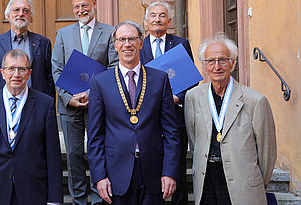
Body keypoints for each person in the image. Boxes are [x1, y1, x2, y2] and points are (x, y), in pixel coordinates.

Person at [87, 21, 180, 205]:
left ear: (141, 43)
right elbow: (95, 135)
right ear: (115, 45)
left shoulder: (159, 79)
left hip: (153, 171)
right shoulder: (100, 82)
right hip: (115, 174)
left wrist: (169, 172)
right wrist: (99, 176)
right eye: (122, 39)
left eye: (132, 39)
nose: (127, 44)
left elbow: (171, 132)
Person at [184, 33, 277, 205]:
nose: (216, 66)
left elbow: (266, 151)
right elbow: (193, 139)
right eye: (210, 61)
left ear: (232, 63)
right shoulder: (193, 97)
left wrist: (254, 181)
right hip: (206, 179)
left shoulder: (255, 101)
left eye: (222, 60)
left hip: (242, 181)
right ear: (204, 66)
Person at [0, 49, 63, 205]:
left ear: (29, 73)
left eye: (22, 69)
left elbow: (53, 155)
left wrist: (54, 199)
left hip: (33, 192)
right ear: (2, 72)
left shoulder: (45, 104)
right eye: (11, 69)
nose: (16, 74)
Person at [51, 0, 118, 204]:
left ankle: (99, 197)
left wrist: (91, 93)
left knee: (99, 150)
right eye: (77, 6)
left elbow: (113, 66)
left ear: (94, 4)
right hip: (69, 106)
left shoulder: (109, 32)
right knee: (73, 155)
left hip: (99, 104)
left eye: (85, 5)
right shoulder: (63, 33)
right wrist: (68, 98)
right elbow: (57, 68)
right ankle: (79, 199)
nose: (81, 10)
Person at [139, 2, 195, 204]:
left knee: (177, 166)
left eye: (162, 16)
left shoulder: (181, 44)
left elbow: (191, 77)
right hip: (147, 119)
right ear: (146, 22)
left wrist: (178, 96)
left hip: (175, 115)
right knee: (152, 166)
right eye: (153, 16)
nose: (157, 19)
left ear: (169, 21)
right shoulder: (138, 46)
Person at [0, 0, 55, 98]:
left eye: (25, 11)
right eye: (16, 10)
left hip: (36, 104)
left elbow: (49, 80)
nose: (21, 14)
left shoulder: (43, 43)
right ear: (8, 16)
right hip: (4, 105)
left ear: (30, 18)